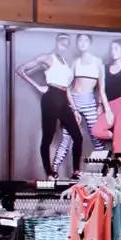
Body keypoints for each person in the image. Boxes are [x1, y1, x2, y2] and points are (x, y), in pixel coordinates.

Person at [16, 33, 84, 178]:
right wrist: (38, 86)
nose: (63, 47)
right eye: (61, 43)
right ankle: (49, 173)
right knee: (48, 137)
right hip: (51, 97)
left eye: (66, 45)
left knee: (78, 137)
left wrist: (75, 109)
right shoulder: (47, 58)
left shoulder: (65, 62)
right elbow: (20, 69)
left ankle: (76, 172)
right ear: (56, 43)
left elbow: (67, 88)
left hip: (63, 98)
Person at [69, 32, 105, 153]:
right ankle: (54, 166)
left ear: (90, 43)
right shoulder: (75, 62)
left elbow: (101, 87)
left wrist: (100, 105)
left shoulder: (98, 62)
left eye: (85, 40)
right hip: (75, 100)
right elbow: (67, 85)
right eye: (80, 40)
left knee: (96, 136)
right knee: (66, 138)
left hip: (89, 100)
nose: (83, 43)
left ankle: (103, 164)